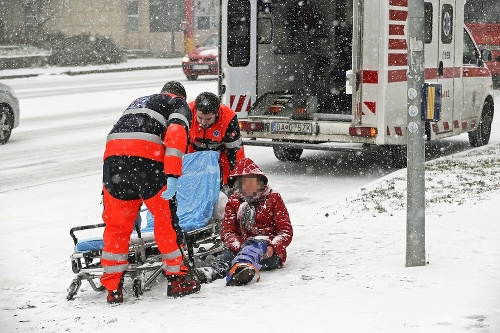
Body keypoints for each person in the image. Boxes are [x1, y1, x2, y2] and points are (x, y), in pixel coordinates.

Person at [100, 81, 200, 304]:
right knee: (164, 221)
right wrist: (172, 174)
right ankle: (178, 279)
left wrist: (115, 193)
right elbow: (175, 135)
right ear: (181, 95)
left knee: (116, 226)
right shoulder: (178, 104)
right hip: (147, 163)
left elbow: (119, 136)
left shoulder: (138, 102)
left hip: (113, 164)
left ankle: (113, 288)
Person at [196, 157, 293, 286]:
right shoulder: (234, 202)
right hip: (242, 246)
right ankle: (210, 272)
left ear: (260, 182)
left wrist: (273, 247)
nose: (247, 187)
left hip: (269, 251)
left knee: (256, 248)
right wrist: (240, 247)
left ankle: (242, 268)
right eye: (242, 183)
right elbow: (228, 232)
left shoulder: (273, 199)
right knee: (227, 256)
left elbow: (285, 231)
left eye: (250, 182)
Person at [188, 92, 245, 191]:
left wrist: (237, 179)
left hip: (221, 154)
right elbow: (179, 145)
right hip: (192, 152)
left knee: (227, 185)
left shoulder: (228, 118)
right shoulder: (187, 111)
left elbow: (235, 153)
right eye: (199, 118)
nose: (203, 122)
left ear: (217, 113)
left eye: (208, 119)